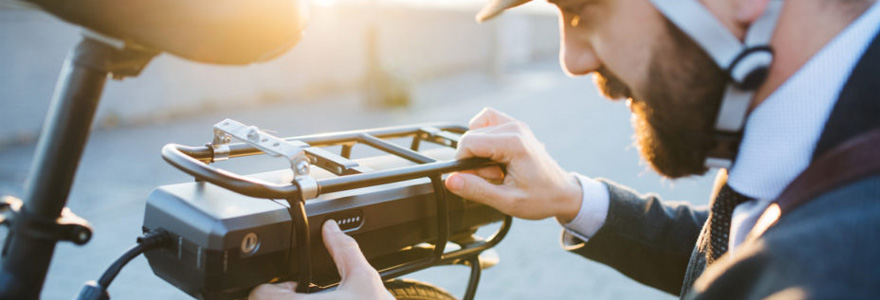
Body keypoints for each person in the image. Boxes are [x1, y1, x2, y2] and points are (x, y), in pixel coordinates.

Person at [252, 0, 880, 299]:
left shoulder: (837, 270)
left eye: (583, 8)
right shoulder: (814, 134)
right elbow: (738, 252)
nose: (571, 59)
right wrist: (574, 199)